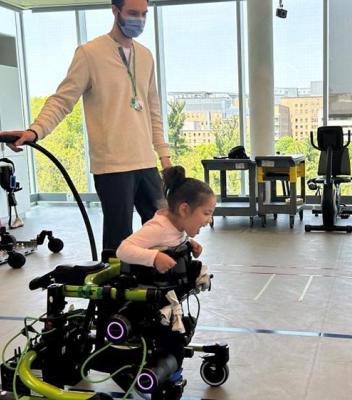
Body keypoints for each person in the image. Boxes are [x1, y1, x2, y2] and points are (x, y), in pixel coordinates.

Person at [0, 0, 171, 251]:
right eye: (133, 14)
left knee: (161, 231)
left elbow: (154, 111)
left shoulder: (146, 56)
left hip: (146, 162)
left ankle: (158, 286)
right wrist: (35, 131)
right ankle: (115, 288)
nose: (140, 20)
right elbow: (62, 100)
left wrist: (165, 160)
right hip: (112, 166)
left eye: (144, 14)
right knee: (119, 241)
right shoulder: (90, 53)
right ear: (115, 11)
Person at [116, 166, 215, 276]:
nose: (210, 220)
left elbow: (171, 238)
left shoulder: (179, 225)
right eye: (206, 213)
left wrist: (189, 244)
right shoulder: (158, 228)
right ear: (184, 209)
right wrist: (154, 257)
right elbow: (123, 250)